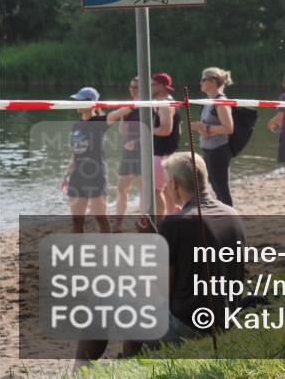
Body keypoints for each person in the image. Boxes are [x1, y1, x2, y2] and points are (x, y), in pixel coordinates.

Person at [72, 152, 246, 371]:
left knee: (100, 303)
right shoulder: (231, 214)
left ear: (173, 184)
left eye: (166, 182)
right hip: (225, 320)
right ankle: (132, 368)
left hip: (189, 327)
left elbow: (161, 292)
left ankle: (78, 372)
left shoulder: (176, 224)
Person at [63, 87, 110, 233]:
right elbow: (75, 152)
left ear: (90, 103)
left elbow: (119, 113)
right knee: (77, 221)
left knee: (101, 218)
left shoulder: (99, 122)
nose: (76, 103)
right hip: (77, 176)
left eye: (79, 100)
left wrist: (134, 103)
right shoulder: (76, 125)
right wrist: (66, 175)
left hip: (96, 175)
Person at [188, 67, 235, 206]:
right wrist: (200, 128)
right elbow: (209, 126)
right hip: (209, 149)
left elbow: (228, 128)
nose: (200, 82)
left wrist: (205, 128)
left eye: (203, 79)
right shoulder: (208, 102)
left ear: (213, 82)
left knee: (221, 188)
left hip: (219, 150)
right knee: (214, 186)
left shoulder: (220, 102)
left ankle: (230, 218)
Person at [106, 77, 142, 232]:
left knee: (145, 188)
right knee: (121, 187)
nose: (132, 89)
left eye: (136, 87)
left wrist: (137, 141)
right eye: (131, 87)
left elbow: (155, 132)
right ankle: (118, 222)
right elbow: (122, 129)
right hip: (128, 152)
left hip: (144, 151)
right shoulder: (129, 106)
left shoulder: (148, 106)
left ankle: (147, 219)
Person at [151, 72, 181, 218]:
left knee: (156, 190)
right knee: (167, 189)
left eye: (152, 84)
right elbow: (178, 130)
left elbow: (165, 130)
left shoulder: (165, 105)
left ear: (162, 86)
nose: (149, 87)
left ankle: (160, 221)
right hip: (167, 151)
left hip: (162, 153)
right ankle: (171, 217)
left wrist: (146, 129)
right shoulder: (168, 102)